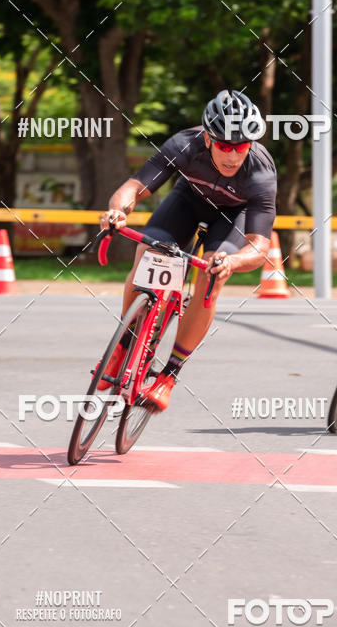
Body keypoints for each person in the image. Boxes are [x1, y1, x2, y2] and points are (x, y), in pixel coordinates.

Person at [98, 89, 277, 410]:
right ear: (208, 139)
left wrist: (233, 262)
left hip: (232, 218)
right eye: (224, 145)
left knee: (211, 275)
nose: (233, 155)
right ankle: (123, 346)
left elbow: (260, 244)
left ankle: (168, 375)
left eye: (241, 146)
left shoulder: (261, 172)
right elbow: (135, 187)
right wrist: (118, 211)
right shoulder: (184, 145)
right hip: (187, 202)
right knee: (149, 257)